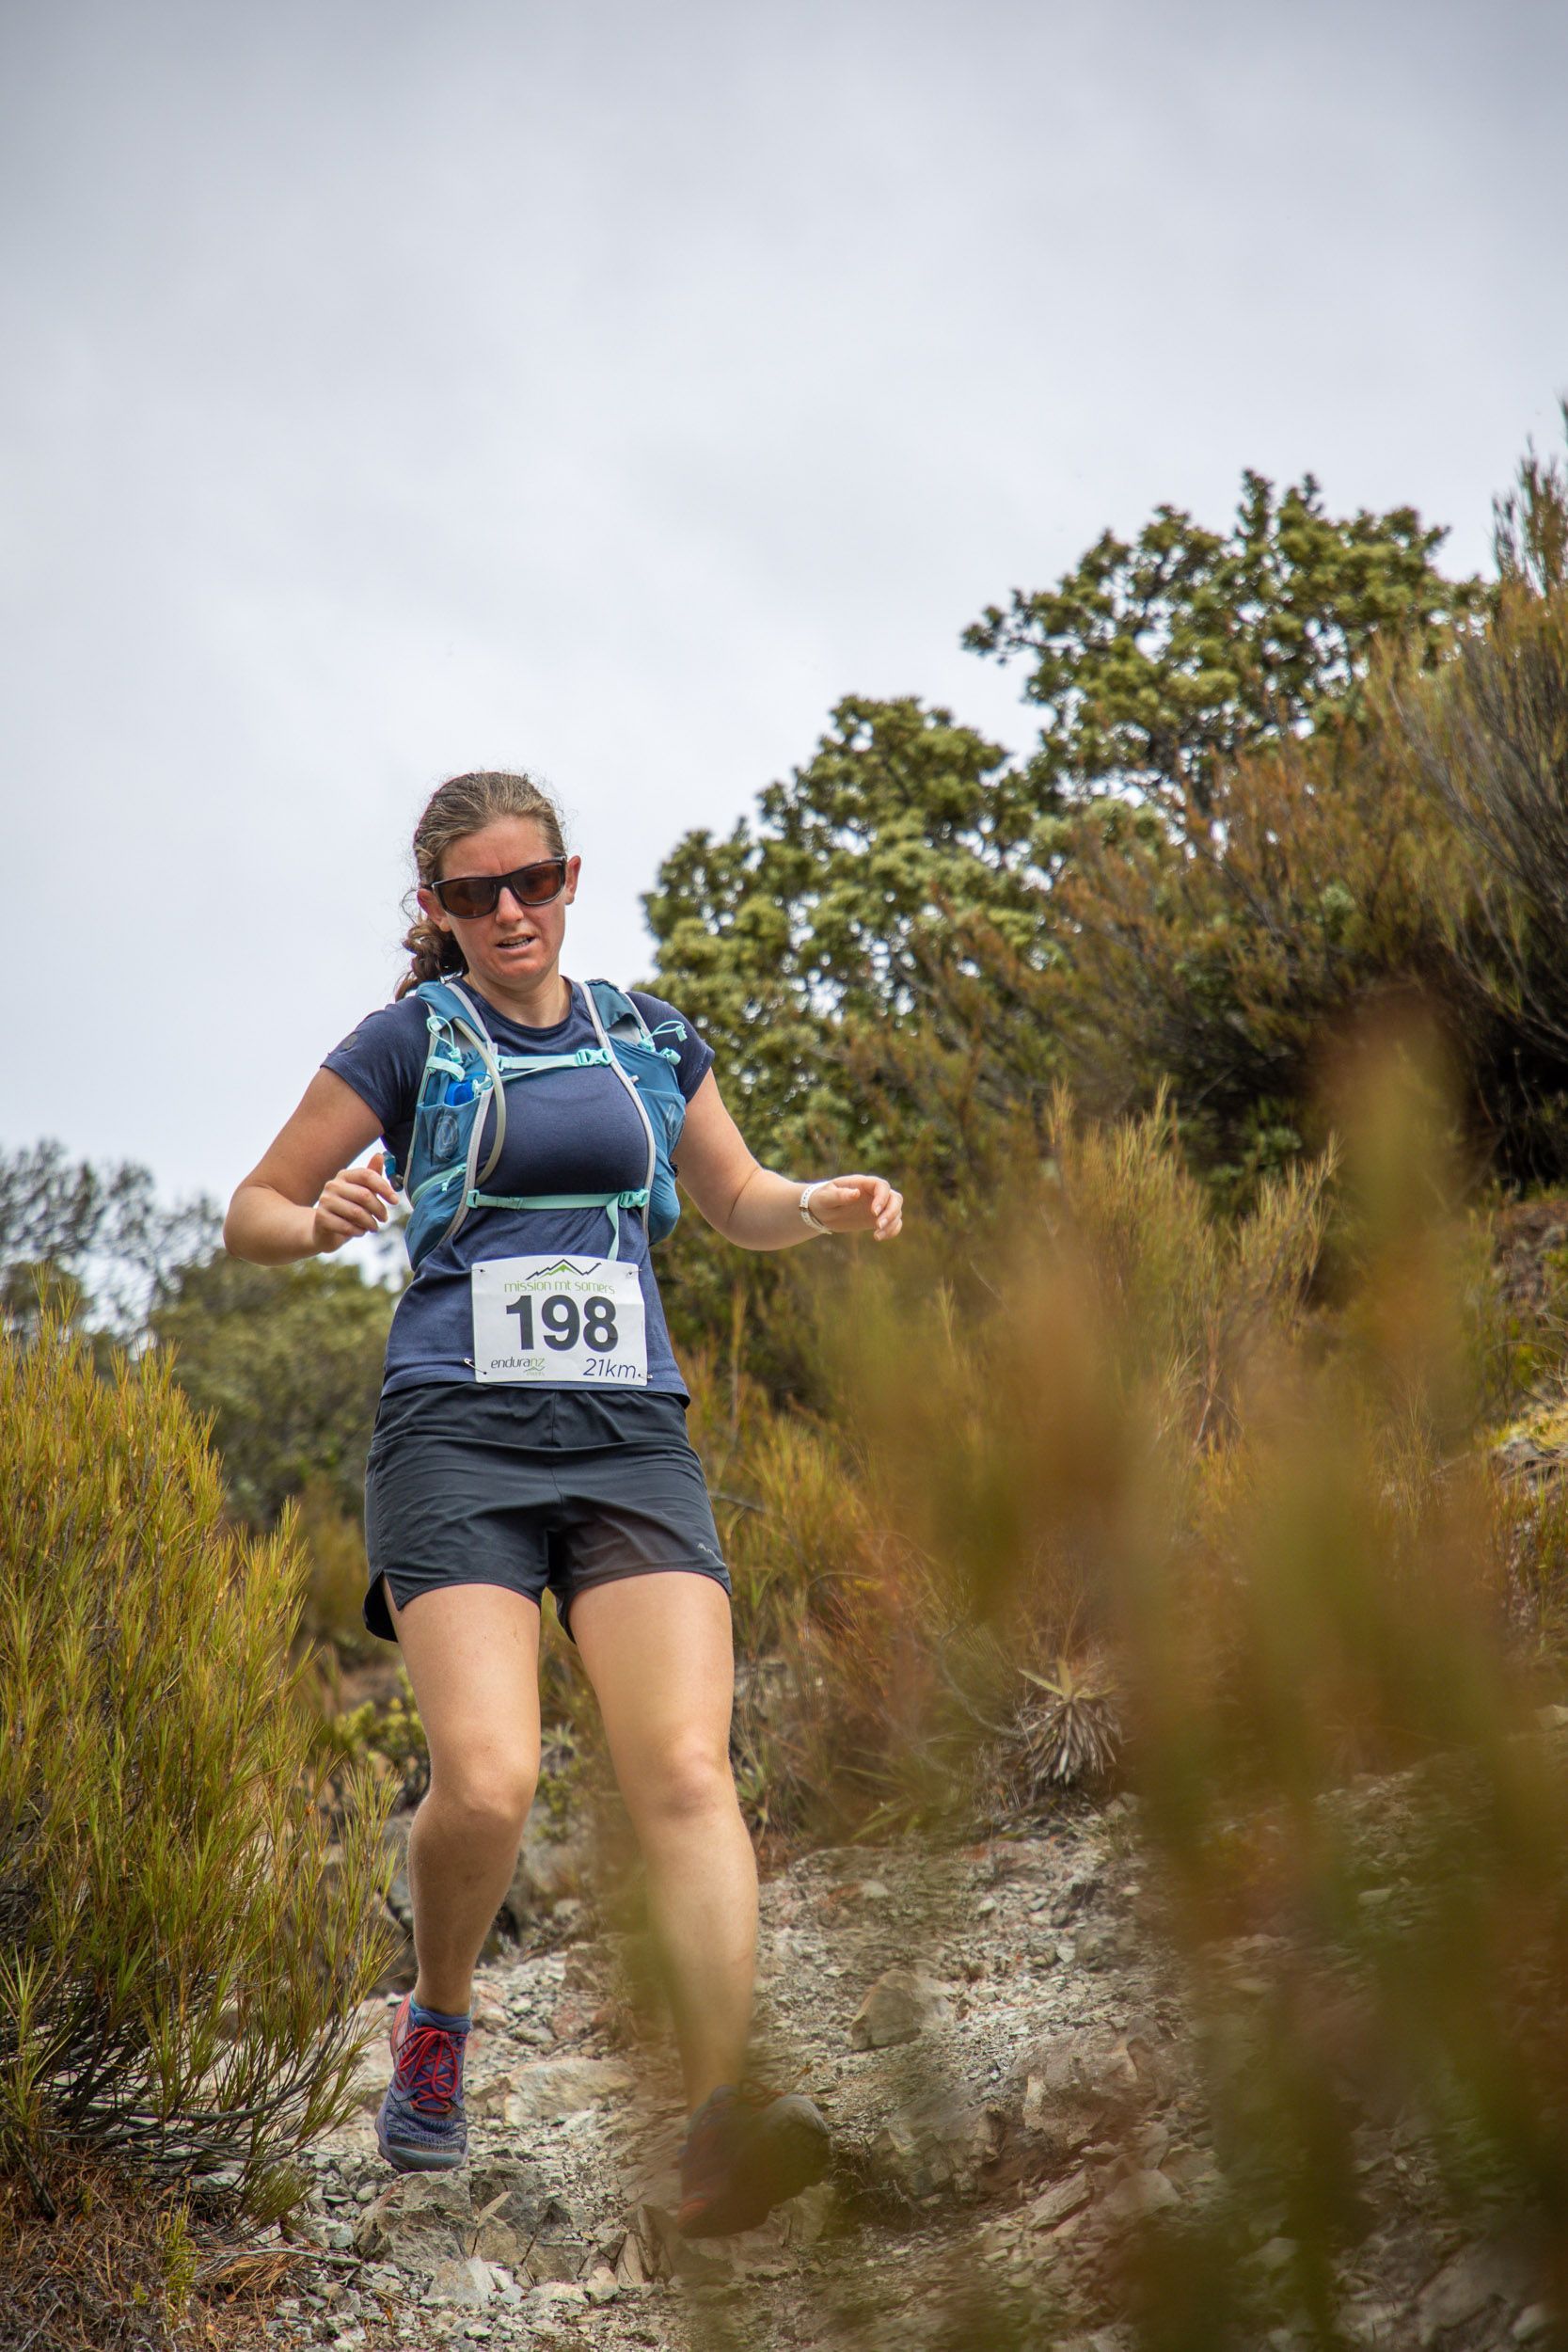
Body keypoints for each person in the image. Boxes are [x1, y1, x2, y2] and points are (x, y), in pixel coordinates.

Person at [223, 769, 904, 2237]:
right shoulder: (407, 1042)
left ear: (572, 878)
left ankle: (724, 2121)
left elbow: (732, 1201)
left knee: (686, 1772)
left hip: (628, 1438)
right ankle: (439, 2019)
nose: (510, 911)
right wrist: (320, 1216)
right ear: (438, 911)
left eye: (531, 881)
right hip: (457, 1441)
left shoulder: (649, 1036)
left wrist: (820, 1204)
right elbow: (254, 1209)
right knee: (491, 1783)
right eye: (476, 894)